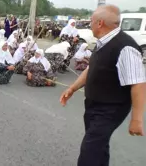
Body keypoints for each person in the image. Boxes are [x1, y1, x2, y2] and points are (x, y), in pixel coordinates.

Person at [60, 5, 146, 166]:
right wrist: (72, 88)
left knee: (89, 151)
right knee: (100, 147)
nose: (89, 24)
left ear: (99, 23)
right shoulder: (102, 42)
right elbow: (91, 68)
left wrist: (137, 119)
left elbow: (138, 84)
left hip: (111, 108)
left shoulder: (125, 46)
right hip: (94, 104)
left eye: (91, 21)